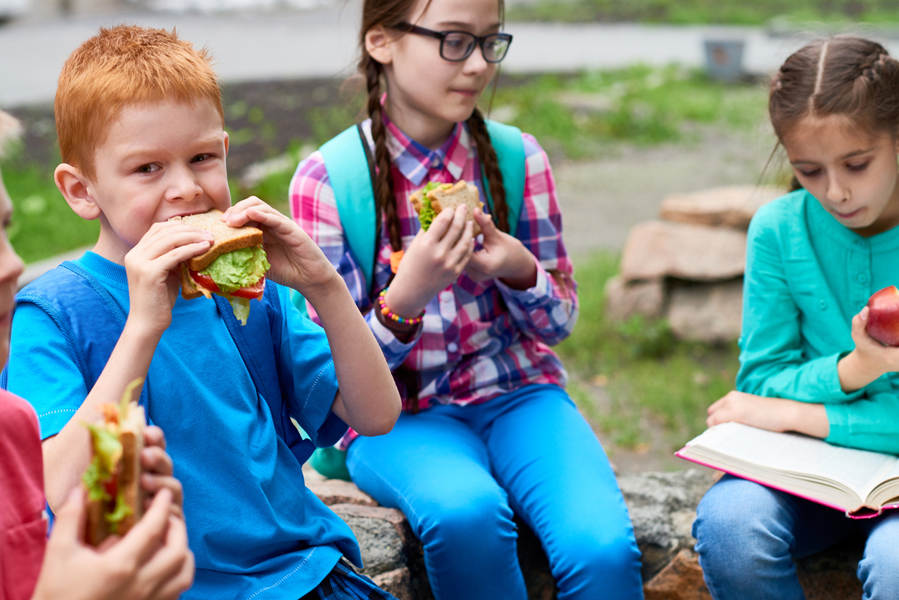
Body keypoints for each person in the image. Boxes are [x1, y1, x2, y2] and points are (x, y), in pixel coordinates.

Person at [4, 26, 402, 600]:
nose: (187, 189)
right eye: (147, 169)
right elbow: (53, 485)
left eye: (201, 158)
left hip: (303, 569)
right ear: (81, 190)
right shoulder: (52, 314)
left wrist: (326, 288)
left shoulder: (247, 288)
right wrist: (143, 326)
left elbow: (376, 414)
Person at [289, 0, 644, 598]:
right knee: (466, 515)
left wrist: (517, 266)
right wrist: (408, 295)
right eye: (454, 41)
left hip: (519, 396)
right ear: (382, 41)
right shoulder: (327, 181)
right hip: (401, 420)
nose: (478, 64)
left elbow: (560, 321)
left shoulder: (515, 159)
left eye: (490, 41)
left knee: (602, 548)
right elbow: (329, 382)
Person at [692, 36, 899, 600]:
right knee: (732, 526)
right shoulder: (780, 229)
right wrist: (854, 371)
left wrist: (796, 414)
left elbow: (766, 401)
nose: (836, 191)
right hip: (810, 474)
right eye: (808, 170)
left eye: (857, 163)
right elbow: (759, 380)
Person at [0, 111, 194, 599]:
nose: (14, 264)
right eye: (147, 167)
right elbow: (64, 490)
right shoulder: (51, 314)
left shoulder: (8, 424)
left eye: (6, 228)